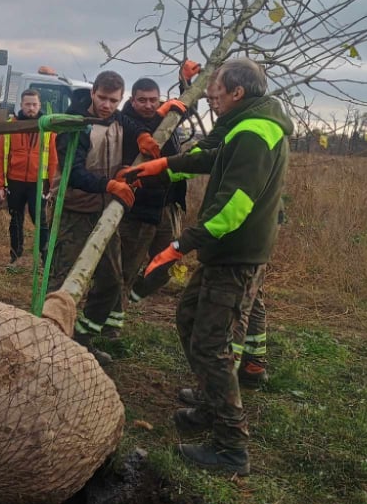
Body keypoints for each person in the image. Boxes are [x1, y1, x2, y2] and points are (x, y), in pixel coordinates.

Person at [123, 58, 292, 475]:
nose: (212, 98)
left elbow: (233, 207)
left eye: (216, 91)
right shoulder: (245, 120)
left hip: (236, 255)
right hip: (225, 251)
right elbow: (209, 153)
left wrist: (180, 245)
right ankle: (209, 403)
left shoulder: (255, 132)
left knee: (212, 344)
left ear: (237, 92)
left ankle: (231, 447)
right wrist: (163, 166)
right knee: (188, 317)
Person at [48, 70, 158, 364]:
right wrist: (109, 185)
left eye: (113, 100)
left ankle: (81, 341)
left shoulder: (117, 119)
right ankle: (49, 344)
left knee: (111, 281)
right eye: (102, 98)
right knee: (62, 281)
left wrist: (143, 134)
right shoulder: (75, 125)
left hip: (105, 212)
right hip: (73, 210)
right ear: (93, 93)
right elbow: (74, 173)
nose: (107, 105)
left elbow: (128, 122)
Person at [113, 77, 186, 332]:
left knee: (166, 263)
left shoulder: (163, 118)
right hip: (138, 209)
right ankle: (111, 324)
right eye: (142, 100)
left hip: (166, 207)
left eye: (153, 100)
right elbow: (132, 122)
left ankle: (136, 293)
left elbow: (184, 110)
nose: (147, 105)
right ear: (132, 100)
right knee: (126, 268)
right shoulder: (125, 122)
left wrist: (185, 85)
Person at [0, 89, 57, 268]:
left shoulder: (48, 127)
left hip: (39, 183)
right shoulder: (10, 125)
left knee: (40, 221)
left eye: (34, 104)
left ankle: (46, 261)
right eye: (28, 104)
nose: (31, 108)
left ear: (39, 105)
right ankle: (15, 257)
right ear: (21, 105)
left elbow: (53, 159)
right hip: (15, 181)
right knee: (15, 219)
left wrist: (53, 186)